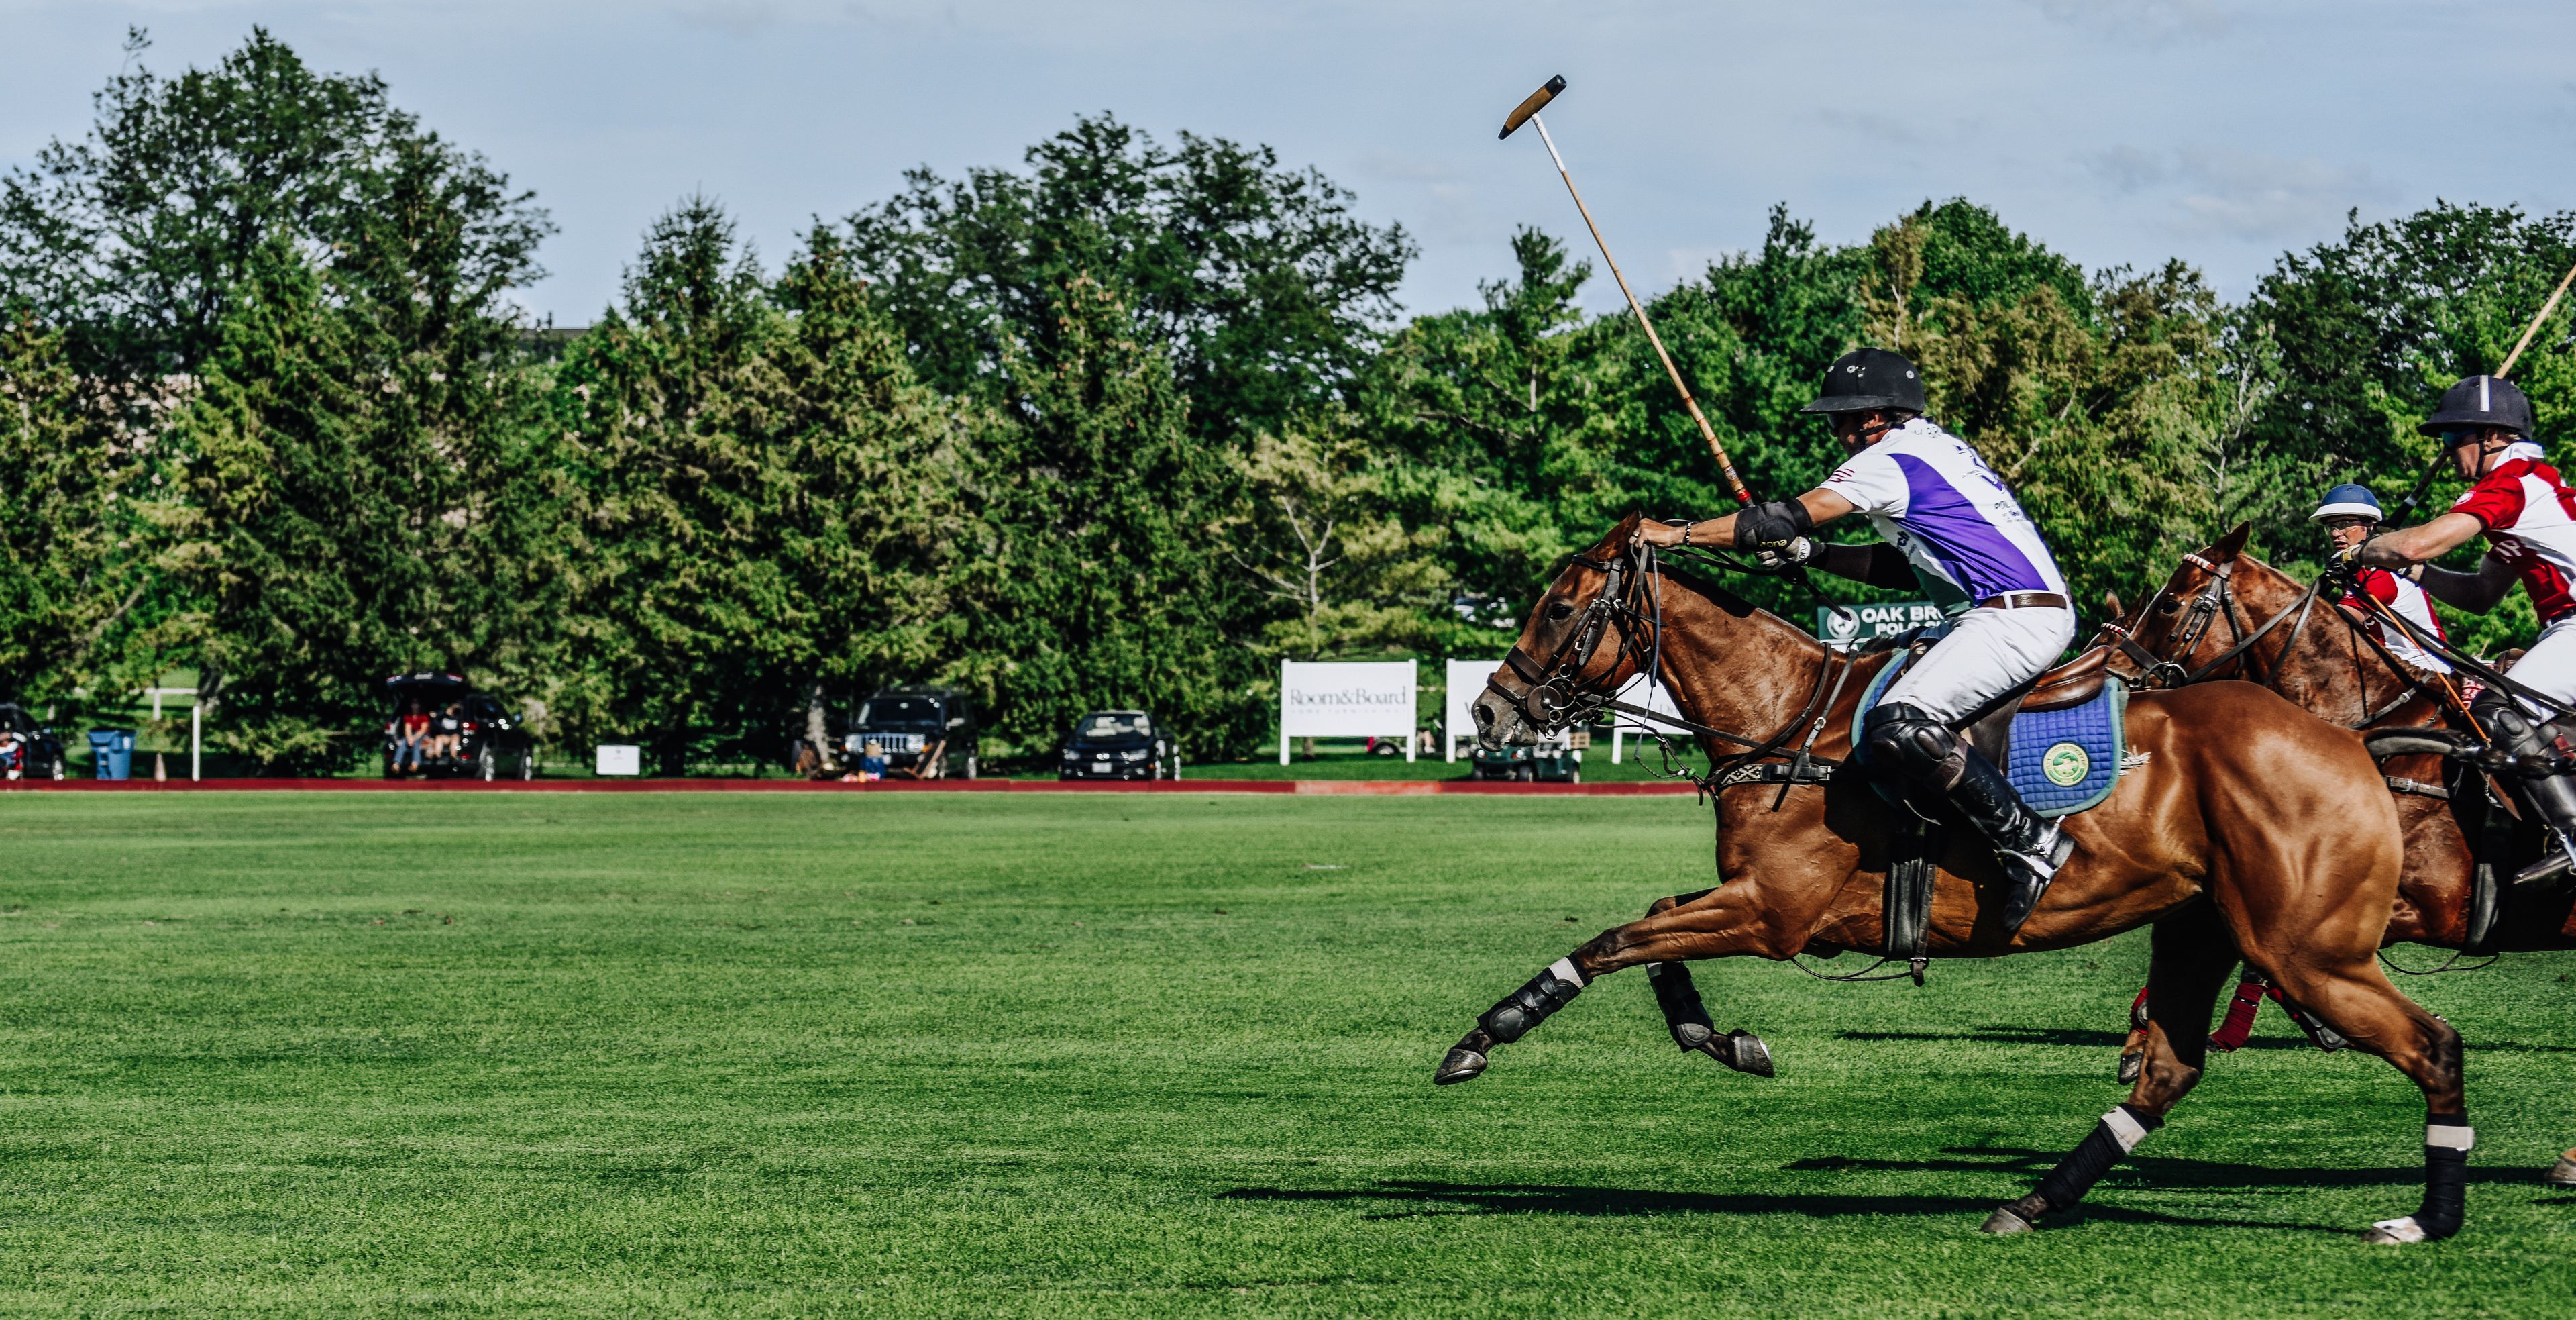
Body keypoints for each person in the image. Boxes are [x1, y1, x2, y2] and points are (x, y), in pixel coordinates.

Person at [1633, 346, 2077, 933]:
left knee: (1897, 719)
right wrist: (1811, 553)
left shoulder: (1889, 457)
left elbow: (1771, 521)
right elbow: (1899, 568)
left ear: (1872, 417)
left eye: (1840, 419)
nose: (1837, 433)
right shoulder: (1933, 448)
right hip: (1997, 613)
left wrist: (1674, 534)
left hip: (2011, 616)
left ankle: (2031, 842)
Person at [2357, 373, 2576, 884]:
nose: (2449, 451)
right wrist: (2408, 571)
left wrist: (2365, 550)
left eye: (2456, 438)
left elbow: (2419, 543)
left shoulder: (2514, 483)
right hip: (2564, 628)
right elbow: (2479, 596)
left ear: (2494, 437)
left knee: (2496, 706)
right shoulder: (2527, 494)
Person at [2312, 483, 2451, 675]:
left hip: (2424, 674)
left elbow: (2332, 627)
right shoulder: (2357, 570)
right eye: (2331, 527)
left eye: (2344, 525)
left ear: (2369, 526)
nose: (2336, 533)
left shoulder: (2378, 572)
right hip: (2389, 669)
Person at [394, 700, 429, 774]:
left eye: (416, 704)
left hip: (423, 735)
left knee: (416, 742)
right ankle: (396, 764)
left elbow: (423, 730)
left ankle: (415, 763)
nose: (415, 706)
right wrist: (409, 738)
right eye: (413, 704)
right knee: (403, 741)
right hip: (412, 735)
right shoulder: (408, 716)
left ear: (419, 706)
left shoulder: (424, 716)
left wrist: (413, 738)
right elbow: (408, 729)